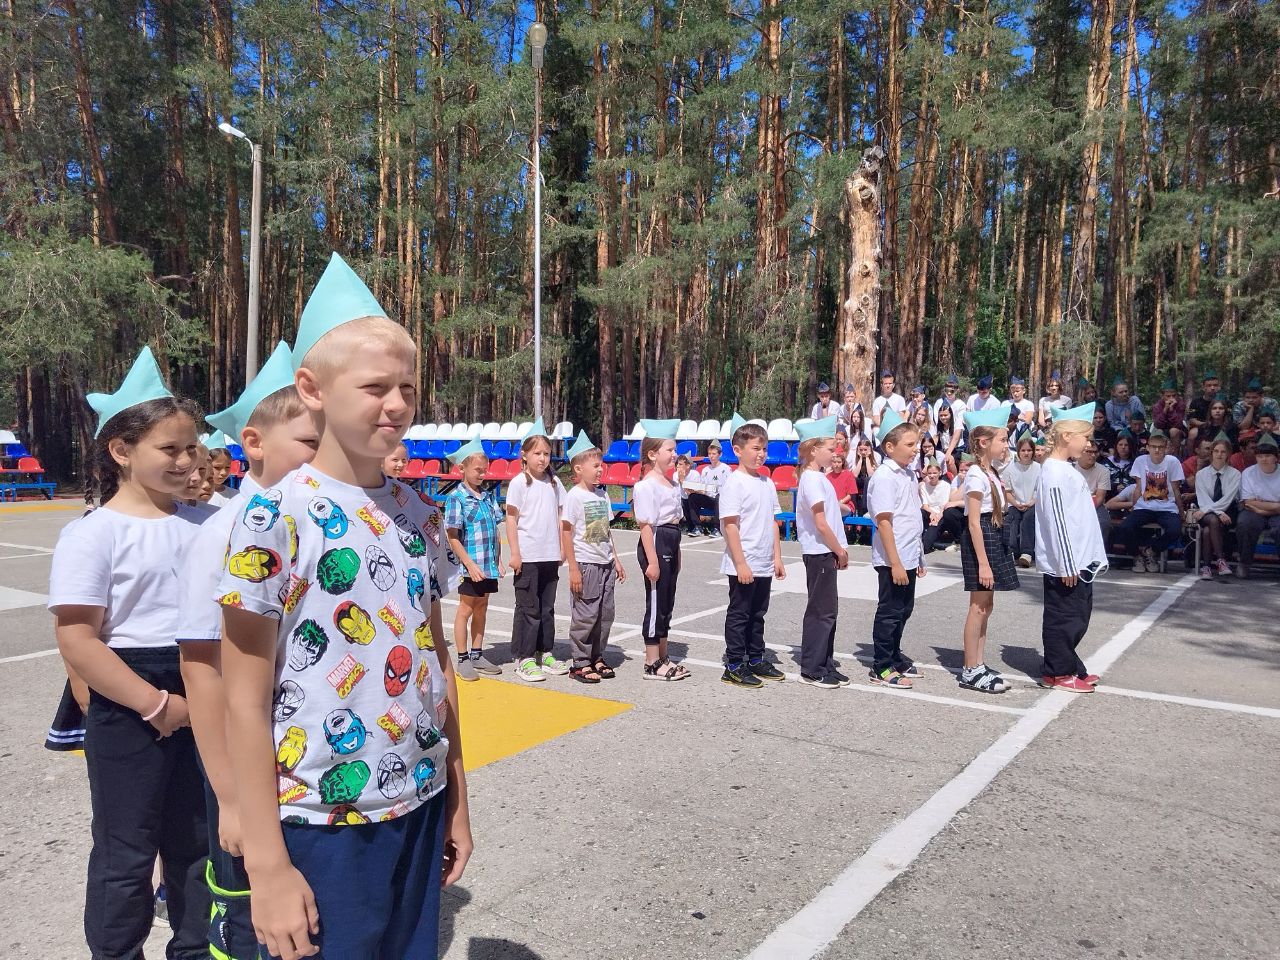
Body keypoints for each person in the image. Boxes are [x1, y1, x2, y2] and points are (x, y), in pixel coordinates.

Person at [217, 254, 470, 959]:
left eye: (408, 388)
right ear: (313, 389)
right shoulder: (274, 518)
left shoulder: (419, 514)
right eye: (375, 387)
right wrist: (267, 866)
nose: (397, 404)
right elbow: (243, 699)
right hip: (318, 819)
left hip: (418, 799)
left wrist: (456, 797)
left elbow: (436, 664)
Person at [49, 347, 211, 960]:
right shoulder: (93, 534)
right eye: (169, 448)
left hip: (203, 680)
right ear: (121, 450)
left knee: (198, 842)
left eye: (191, 447)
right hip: (131, 693)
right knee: (126, 850)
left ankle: (196, 948)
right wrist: (155, 704)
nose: (186, 460)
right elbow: (78, 638)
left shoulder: (211, 522)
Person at [175, 342, 317, 960]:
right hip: (241, 762)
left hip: (300, 762)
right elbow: (202, 669)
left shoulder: (316, 520)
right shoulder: (224, 532)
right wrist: (230, 797)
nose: (323, 454)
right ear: (254, 444)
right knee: (247, 909)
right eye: (310, 442)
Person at [1034, 403, 1108, 692]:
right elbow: (1057, 522)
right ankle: (1057, 672)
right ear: (1067, 436)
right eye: (1085, 437)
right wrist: (1066, 563)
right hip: (1067, 563)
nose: (1088, 444)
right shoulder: (1054, 472)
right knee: (1064, 618)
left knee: (1078, 615)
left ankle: (1070, 665)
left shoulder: (1065, 469)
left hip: (1079, 559)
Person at [719, 419, 787, 688]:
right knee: (740, 614)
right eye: (756, 448)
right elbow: (730, 526)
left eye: (764, 449)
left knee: (758, 613)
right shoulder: (734, 483)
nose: (761, 454)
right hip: (743, 561)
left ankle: (756, 657)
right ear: (738, 450)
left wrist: (777, 557)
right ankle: (734, 664)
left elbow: (772, 522)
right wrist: (740, 563)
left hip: (763, 560)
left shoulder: (767, 482)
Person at [957, 404, 1017, 694]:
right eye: (1002, 439)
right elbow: (973, 522)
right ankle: (970, 669)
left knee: (987, 605)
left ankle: (978, 663)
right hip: (982, 539)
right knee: (978, 606)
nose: (1006, 445)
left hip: (993, 535)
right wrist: (983, 562)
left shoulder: (989, 471)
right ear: (983, 442)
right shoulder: (975, 475)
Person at [560, 431, 627, 683]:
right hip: (586, 565)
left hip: (605, 563)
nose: (601, 470)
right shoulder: (574, 496)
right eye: (595, 466)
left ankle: (597, 656)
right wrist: (573, 568)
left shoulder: (602, 495)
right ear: (579, 469)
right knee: (585, 614)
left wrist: (615, 559)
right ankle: (580, 662)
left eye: (601, 465)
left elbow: (606, 531)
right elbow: (566, 532)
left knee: (604, 614)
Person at [867, 410, 926, 688]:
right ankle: (881, 665)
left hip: (909, 553)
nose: (915, 450)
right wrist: (896, 562)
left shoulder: (909, 474)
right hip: (894, 557)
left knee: (905, 608)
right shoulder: (885, 477)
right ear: (890, 447)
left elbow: (912, 517)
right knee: (890, 611)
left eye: (916, 444)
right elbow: (884, 522)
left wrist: (918, 556)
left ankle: (894, 655)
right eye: (910, 444)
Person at [506, 418, 568, 682]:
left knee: (546, 608)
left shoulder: (555, 483)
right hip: (528, 555)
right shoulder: (519, 483)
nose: (542, 459)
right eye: (537, 453)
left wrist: (562, 547)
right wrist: (515, 552)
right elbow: (511, 518)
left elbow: (562, 515)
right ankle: (524, 657)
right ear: (524, 455)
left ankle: (545, 651)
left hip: (550, 555)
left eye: (546, 454)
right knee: (528, 608)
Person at [794, 416, 851, 688]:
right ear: (814, 450)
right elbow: (820, 522)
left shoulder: (819, 478)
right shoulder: (812, 479)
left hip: (824, 550)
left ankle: (825, 663)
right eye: (830, 448)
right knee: (821, 612)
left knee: (829, 611)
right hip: (820, 551)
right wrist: (839, 550)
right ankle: (812, 668)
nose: (835, 452)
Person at [633, 418, 690, 680]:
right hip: (655, 543)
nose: (674, 454)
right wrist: (653, 561)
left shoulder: (673, 484)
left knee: (667, 601)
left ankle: (664, 656)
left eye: (675, 449)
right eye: (670, 450)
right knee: (656, 602)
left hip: (670, 540)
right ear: (653, 454)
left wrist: (677, 554)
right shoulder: (646, 486)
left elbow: (675, 523)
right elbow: (646, 526)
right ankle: (651, 661)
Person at [444, 438, 505, 681]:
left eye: (484, 470)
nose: (482, 474)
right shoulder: (457, 498)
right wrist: (469, 564)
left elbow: (495, 530)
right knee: (466, 609)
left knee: (482, 607)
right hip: (471, 567)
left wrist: (498, 560)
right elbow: (452, 536)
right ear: (462, 468)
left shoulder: (487, 497)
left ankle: (477, 653)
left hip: (487, 565)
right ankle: (463, 658)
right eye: (478, 470)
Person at [1110, 428, 1185, 572]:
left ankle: (1151, 551)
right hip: (1144, 506)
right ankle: (1137, 556)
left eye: (1160, 447)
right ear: (1148, 447)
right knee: (1126, 527)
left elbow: (1176, 489)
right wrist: (1133, 508)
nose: (1157, 450)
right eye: (1154, 446)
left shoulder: (1173, 462)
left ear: (1166, 447)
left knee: (1175, 530)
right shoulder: (1140, 461)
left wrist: (1181, 513)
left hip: (1167, 507)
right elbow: (1138, 488)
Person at [1193, 437, 1241, 579]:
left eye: (1223, 452)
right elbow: (1202, 498)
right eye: (1216, 451)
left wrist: (1219, 511)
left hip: (1227, 511)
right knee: (1213, 520)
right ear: (1212, 453)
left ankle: (1206, 567)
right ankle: (1221, 560)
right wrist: (1218, 512)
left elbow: (1228, 498)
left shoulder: (1235, 474)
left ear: (1228, 454)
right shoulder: (1201, 474)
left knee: (1207, 531)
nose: (1219, 454)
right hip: (1206, 511)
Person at [1235, 432, 1280, 579]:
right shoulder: (1248, 473)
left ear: (1276, 457)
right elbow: (1248, 502)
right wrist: (1274, 506)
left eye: (1268, 455)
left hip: (1271, 512)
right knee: (1245, 524)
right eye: (1260, 456)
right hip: (1254, 511)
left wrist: (1263, 509)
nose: (1264, 459)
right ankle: (1244, 562)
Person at [1000, 435, 1040, 567]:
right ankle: (1012, 551)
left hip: (1033, 503)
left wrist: (1031, 502)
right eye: (1023, 450)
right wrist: (1016, 503)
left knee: (1028, 518)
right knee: (1012, 518)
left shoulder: (1039, 468)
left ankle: (1027, 553)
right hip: (1015, 504)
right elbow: (1007, 492)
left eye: (1029, 450)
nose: (1026, 453)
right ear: (1018, 452)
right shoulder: (1010, 469)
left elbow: (1040, 491)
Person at [920, 459, 965, 553]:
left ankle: (956, 540)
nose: (932, 475)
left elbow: (945, 505)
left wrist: (937, 517)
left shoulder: (946, 485)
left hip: (941, 514)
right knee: (921, 512)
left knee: (926, 544)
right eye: (929, 473)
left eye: (934, 473)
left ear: (940, 473)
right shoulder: (924, 486)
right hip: (930, 513)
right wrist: (932, 513)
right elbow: (925, 505)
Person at [1075, 438, 1113, 545]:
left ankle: (1100, 552)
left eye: (1095, 452)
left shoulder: (1103, 471)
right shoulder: (1070, 468)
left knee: (1104, 523)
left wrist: (1086, 511)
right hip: (1074, 504)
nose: (1092, 455)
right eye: (1089, 451)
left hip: (1095, 504)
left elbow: (1100, 497)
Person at [697, 441, 732, 538]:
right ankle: (696, 526)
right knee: (693, 497)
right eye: (709, 454)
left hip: (721, 498)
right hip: (709, 497)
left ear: (719, 454)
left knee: (718, 497)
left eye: (714, 454)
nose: (711, 456)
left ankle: (717, 528)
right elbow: (703, 486)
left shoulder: (726, 469)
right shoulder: (705, 470)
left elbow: (728, 487)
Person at [1186, 370, 1222, 445]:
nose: (1212, 388)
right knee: (1192, 433)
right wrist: (1205, 424)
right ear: (1203, 387)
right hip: (1202, 427)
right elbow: (1191, 419)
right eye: (1209, 385)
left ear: (1219, 387)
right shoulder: (1195, 402)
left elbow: (1229, 418)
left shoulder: (1224, 401)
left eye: (1215, 385)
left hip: (1220, 426)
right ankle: (1190, 453)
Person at [1152, 377, 1187, 453]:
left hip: (1178, 430)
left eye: (1174, 396)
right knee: (1157, 432)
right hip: (1162, 429)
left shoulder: (1181, 404)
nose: (1171, 398)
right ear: (1162, 396)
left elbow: (1178, 424)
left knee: (1173, 431)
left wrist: (1171, 410)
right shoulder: (1157, 406)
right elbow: (1157, 424)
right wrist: (1165, 410)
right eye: (1168, 396)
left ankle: (1175, 456)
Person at [934, 402, 963, 473]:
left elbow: (955, 439)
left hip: (957, 450)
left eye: (945, 415)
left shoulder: (957, 423)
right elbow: (935, 439)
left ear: (951, 414)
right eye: (941, 415)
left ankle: (955, 478)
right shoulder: (939, 426)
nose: (943, 417)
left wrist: (948, 453)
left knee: (949, 460)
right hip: (944, 450)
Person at [206, 440, 235, 507]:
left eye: (227, 467)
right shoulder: (194, 497)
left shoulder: (236, 496)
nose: (224, 473)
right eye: (217, 467)